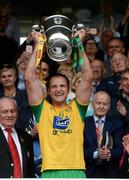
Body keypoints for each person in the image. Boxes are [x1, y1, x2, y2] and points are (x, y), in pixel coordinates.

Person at [25, 30, 92, 178]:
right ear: (48, 91)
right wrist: (39, 44)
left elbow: (87, 77)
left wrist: (79, 44)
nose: (58, 90)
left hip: (76, 171)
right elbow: (29, 78)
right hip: (49, 172)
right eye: (54, 87)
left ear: (69, 89)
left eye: (62, 86)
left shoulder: (77, 108)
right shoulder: (42, 109)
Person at [84, 91, 123, 178]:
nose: (101, 106)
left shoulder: (116, 123)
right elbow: (79, 149)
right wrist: (96, 154)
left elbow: (119, 149)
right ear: (92, 104)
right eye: (98, 103)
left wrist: (109, 153)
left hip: (110, 172)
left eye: (105, 104)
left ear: (109, 106)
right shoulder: (84, 123)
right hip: (89, 171)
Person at [0, 96, 35, 178]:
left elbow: (30, 170)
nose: (9, 115)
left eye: (13, 111)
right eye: (5, 112)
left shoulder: (26, 137)